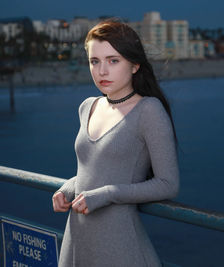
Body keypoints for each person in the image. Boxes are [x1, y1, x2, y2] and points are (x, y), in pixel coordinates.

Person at [52, 19, 180, 267]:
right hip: (77, 241)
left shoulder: (148, 111)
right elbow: (96, 172)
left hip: (120, 248)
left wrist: (109, 194)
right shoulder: (88, 107)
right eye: (94, 61)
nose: (102, 71)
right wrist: (68, 188)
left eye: (113, 60)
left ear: (134, 65)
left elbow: (168, 184)